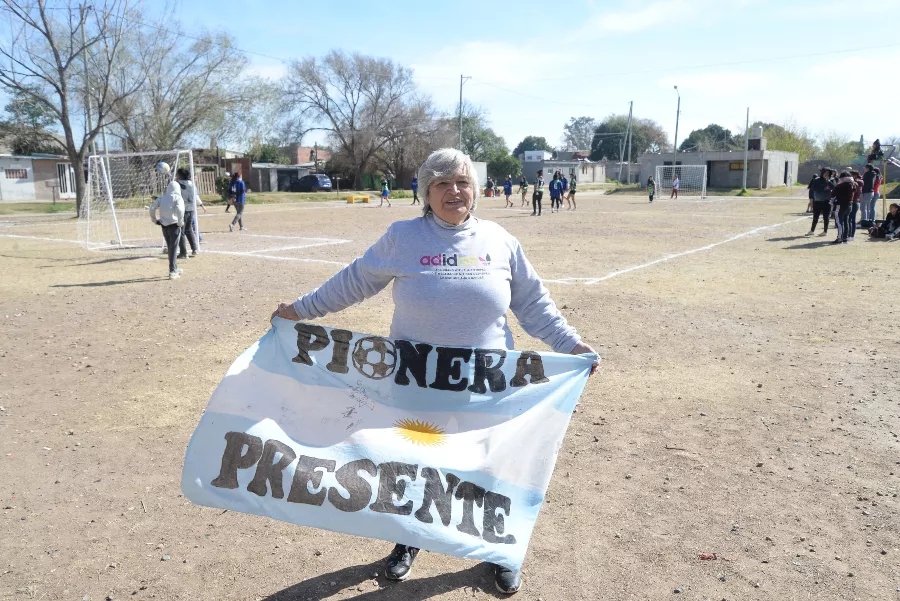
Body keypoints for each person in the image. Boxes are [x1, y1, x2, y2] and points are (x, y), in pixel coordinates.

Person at [272, 147, 599, 595]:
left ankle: (497, 549)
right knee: (415, 464)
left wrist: (570, 344)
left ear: (475, 190)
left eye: (462, 182)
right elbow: (354, 281)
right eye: (442, 183)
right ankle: (409, 540)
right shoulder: (403, 237)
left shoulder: (500, 241)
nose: (454, 191)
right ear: (426, 192)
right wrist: (301, 310)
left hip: (486, 381)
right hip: (417, 379)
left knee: (490, 467)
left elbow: (533, 304)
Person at [150, 180, 185, 280]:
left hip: (164, 225)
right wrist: (180, 221)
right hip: (174, 225)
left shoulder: (162, 198)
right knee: (173, 248)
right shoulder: (178, 198)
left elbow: (152, 208)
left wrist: (154, 219)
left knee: (170, 247)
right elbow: (180, 210)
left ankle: (175, 267)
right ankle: (172, 271)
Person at [175, 169, 200, 258]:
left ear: (180, 176)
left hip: (182, 209)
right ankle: (195, 249)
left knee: (180, 230)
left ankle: (183, 252)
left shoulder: (178, 184)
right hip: (191, 209)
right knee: (189, 229)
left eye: (177, 174)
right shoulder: (192, 184)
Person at [830, 171, 856, 244]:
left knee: (839, 222)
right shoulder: (853, 184)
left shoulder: (840, 185)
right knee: (846, 221)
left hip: (840, 205)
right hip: (849, 205)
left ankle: (839, 238)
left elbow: (833, 194)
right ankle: (845, 238)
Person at [806, 168, 833, 237]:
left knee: (826, 217)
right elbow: (814, 188)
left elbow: (834, 187)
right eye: (825, 173)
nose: (826, 174)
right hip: (818, 201)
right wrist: (824, 188)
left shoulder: (831, 180)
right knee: (815, 217)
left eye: (828, 173)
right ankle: (812, 231)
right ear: (822, 173)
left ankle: (825, 231)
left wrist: (828, 182)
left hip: (827, 201)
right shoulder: (817, 180)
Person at [849, 169, 863, 241]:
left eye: (851, 175)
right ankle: (850, 235)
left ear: (855, 175)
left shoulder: (856, 183)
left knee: (851, 219)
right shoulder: (858, 182)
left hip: (854, 202)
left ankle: (850, 235)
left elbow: (855, 193)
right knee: (851, 219)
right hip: (855, 202)